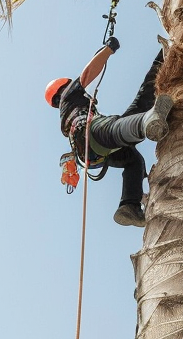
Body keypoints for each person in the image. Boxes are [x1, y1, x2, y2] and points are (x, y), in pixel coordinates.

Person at [45, 38, 172, 227]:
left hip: (97, 153)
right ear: (63, 86)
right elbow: (87, 75)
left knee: (133, 157)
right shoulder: (68, 95)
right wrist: (108, 49)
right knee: (116, 126)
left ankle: (129, 205)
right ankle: (149, 120)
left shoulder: (67, 114)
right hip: (93, 134)